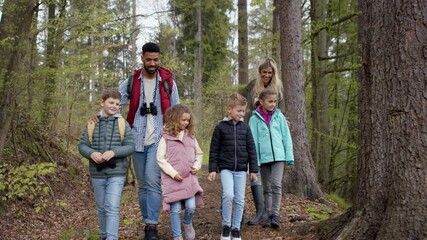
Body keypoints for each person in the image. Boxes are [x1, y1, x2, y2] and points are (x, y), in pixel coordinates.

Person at [118, 42, 180, 240]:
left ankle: (152, 226)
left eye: (156, 59)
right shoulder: (131, 81)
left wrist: (178, 136)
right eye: (149, 59)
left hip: (159, 139)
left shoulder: (168, 81)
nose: (152, 63)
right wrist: (99, 115)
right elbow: (114, 103)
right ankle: (147, 222)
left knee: (153, 181)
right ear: (142, 59)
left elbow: (177, 109)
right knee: (143, 184)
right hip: (136, 138)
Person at [78, 88, 135, 240]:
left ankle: (111, 237)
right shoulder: (92, 123)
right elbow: (82, 145)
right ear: (102, 103)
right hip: (97, 173)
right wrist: (91, 153)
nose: (114, 106)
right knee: (102, 208)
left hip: (117, 172)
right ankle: (104, 236)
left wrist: (114, 152)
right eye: (111, 102)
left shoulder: (123, 124)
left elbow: (130, 146)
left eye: (117, 103)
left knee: (112, 207)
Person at [208, 93, 258, 240]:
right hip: (226, 168)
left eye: (243, 111)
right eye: (239, 110)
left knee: (240, 199)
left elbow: (252, 149)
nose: (241, 114)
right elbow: (214, 149)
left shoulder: (245, 128)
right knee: (228, 195)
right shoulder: (220, 127)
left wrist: (253, 170)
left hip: (241, 170)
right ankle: (226, 226)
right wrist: (212, 169)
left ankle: (236, 228)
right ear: (229, 109)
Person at [240, 58, 284, 225]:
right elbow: (241, 102)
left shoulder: (278, 89)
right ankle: (260, 211)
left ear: (273, 73)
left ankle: (269, 212)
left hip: (271, 134)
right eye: (264, 72)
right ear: (259, 72)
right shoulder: (252, 86)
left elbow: (281, 110)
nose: (266, 75)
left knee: (273, 182)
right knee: (255, 169)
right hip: (253, 128)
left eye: (269, 72)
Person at [248, 88, 294, 229]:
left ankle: (275, 214)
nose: (273, 104)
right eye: (270, 101)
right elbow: (253, 141)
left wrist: (289, 155)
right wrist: (254, 161)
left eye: (275, 101)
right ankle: (267, 215)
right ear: (261, 102)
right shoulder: (254, 119)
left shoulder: (279, 117)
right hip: (263, 158)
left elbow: (286, 137)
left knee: (276, 184)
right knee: (267, 187)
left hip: (279, 157)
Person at [156, 104, 204, 240]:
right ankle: (177, 236)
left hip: (188, 179)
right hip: (173, 181)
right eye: (183, 120)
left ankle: (187, 223)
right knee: (175, 209)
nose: (186, 123)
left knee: (191, 206)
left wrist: (196, 165)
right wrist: (172, 173)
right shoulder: (165, 137)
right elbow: (160, 159)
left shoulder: (190, 136)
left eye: (188, 120)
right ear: (174, 119)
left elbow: (199, 153)